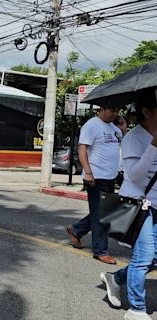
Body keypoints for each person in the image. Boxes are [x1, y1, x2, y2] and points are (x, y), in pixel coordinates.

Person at [100, 88, 157, 320]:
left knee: (154, 258)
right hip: (140, 204)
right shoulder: (135, 138)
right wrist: (155, 145)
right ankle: (136, 309)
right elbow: (134, 176)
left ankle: (115, 278)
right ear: (147, 111)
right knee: (143, 258)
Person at [66, 106, 122, 264]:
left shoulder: (113, 127)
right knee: (100, 214)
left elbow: (119, 145)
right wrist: (88, 172)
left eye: (117, 111)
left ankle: (77, 229)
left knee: (103, 211)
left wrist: (122, 129)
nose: (115, 113)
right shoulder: (91, 125)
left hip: (110, 176)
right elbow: (82, 149)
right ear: (103, 109)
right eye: (113, 110)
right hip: (95, 177)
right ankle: (100, 251)